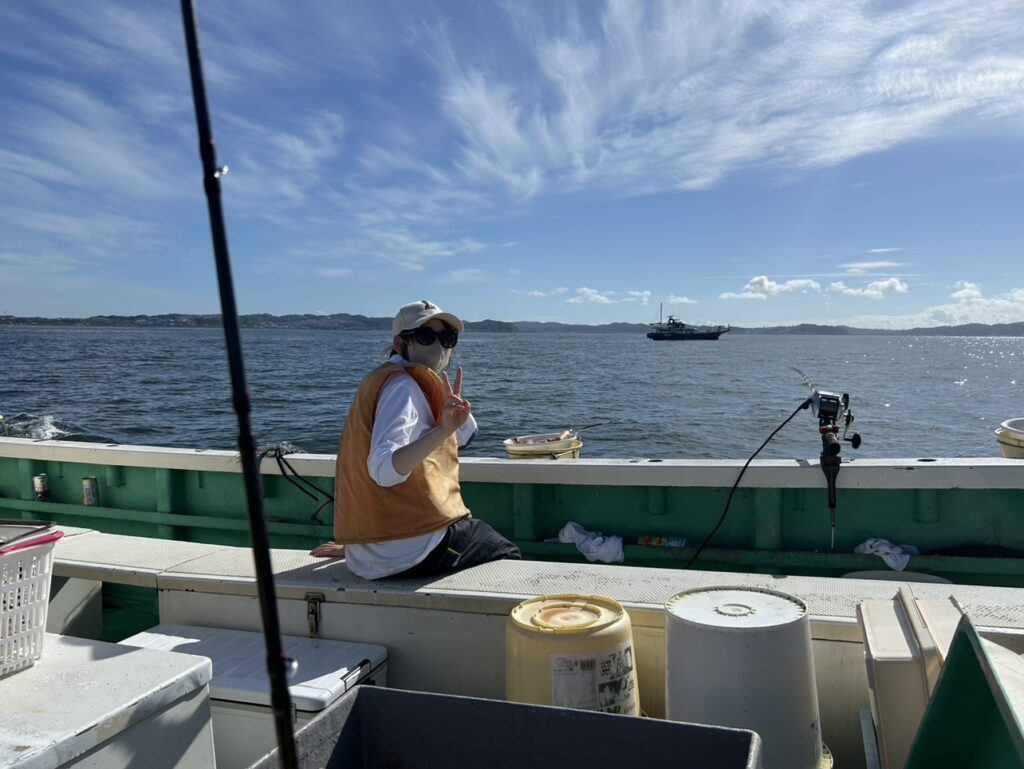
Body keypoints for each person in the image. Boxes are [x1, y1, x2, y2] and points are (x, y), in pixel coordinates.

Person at [312, 300, 521, 579]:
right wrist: (442, 430)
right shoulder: (403, 387)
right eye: (426, 336)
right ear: (401, 343)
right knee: (510, 557)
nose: (439, 346)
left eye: (447, 338)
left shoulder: (391, 380)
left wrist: (361, 543)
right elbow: (384, 470)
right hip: (412, 552)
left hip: (370, 552)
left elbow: (462, 437)